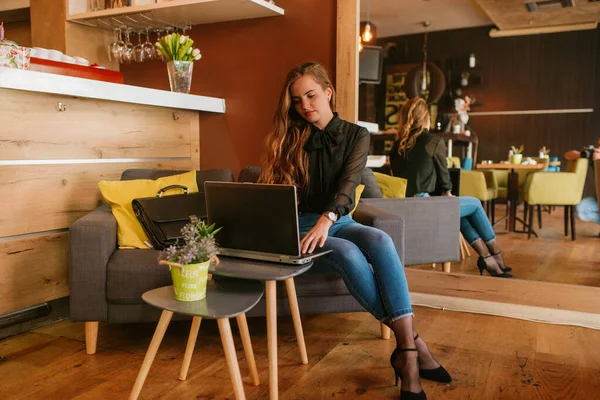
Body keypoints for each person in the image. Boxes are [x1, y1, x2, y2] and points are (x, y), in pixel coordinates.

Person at [259, 62, 450, 399]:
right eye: (297, 99)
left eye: (311, 95)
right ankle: (411, 350)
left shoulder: (356, 135)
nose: (305, 105)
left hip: (336, 220)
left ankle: (406, 349)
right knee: (346, 251)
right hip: (300, 228)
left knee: (379, 238)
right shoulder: (289, 137)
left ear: (328, 92)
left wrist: (328, 217)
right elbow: (273, 194)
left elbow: (349, 184)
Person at [389, 97, 512, 278]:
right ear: (426, 118)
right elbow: (444, 177)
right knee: (475, 204)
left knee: (459, 215)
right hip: (424, 205)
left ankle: (487, 258)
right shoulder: (433, 141)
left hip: (403, 207)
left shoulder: (396, 146)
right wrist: (447, 192)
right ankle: (497, 253)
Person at [564, 137, 600, 224]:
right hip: (598, 198)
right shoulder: (594, 154)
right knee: (581, 210)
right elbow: (567, 155)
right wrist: (582, 154)